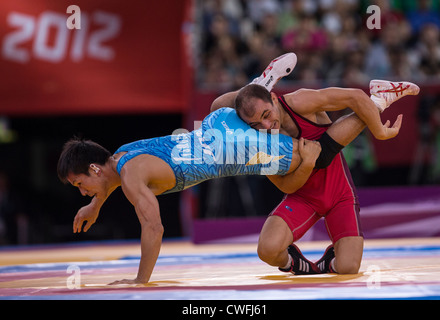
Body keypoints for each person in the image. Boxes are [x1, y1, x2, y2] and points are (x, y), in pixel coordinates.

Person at [57, 54, 404, 285]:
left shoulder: (130, 175)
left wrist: (139, 281)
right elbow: (109, 180)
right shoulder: (121, 156)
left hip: (236, 151)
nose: (82, 191)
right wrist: (95, 203)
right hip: (214, 125)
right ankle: (259, 85)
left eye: (79, 185)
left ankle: (376, 102)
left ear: (94, 168)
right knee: (219, 106)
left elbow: (154, 227)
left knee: (314, 155)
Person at [211, 52, 419, 275]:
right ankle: (294, 263)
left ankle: (378, 101)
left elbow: (356, 97)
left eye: (266, 114)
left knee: (348, 266)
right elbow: (286, 187)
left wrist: (379, 131)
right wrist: (307, 164)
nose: (267, 124)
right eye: (256, 123)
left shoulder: (299, 101)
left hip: (338, 191)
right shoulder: (258, 141)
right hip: (303, 196)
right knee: (267, 250)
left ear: (273, 98)